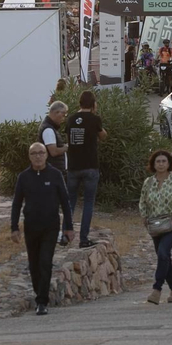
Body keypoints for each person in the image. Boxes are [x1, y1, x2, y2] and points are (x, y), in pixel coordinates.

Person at [10, 143, 73, 316]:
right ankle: (40, 292)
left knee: (45, 261)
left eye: (41, 153)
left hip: (51, 226)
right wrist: (14, 228)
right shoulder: (24, 177)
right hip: (31, 226)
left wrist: (69, 227)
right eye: (34, 153)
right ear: (29, 156)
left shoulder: (55, 174)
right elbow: (16, 204)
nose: (38, 156)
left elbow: (65, 202)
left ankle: (42, 302)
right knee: (34, 264)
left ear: (46, 155)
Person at [138, 149, 172, 304]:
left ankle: (157, 289)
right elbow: (143, 201)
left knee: (162, 253)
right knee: (164, 257)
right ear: (154, 164)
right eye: (158, 161)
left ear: (169, 164)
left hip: (171, 224)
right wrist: (144, 217)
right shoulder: (149, 182)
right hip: (155, 225)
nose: (160, 164)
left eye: (163, 161)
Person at [64, 91, 106, 248]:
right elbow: (103, 136)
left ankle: (65, 235)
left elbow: (69, 138)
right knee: (88, 202)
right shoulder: (95, 119)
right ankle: (83, 238)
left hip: (74, 166)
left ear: (79, 103)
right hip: (90, 166)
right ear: (94, 104)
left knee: (70, 202)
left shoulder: (71, 119)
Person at [40, 101, 70, 240]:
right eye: (63, 115)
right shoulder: (48, 130)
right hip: (52, 172)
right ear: (56, 113)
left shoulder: (51, 129)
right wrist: (65, 147)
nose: (63, 118)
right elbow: (53, 151)